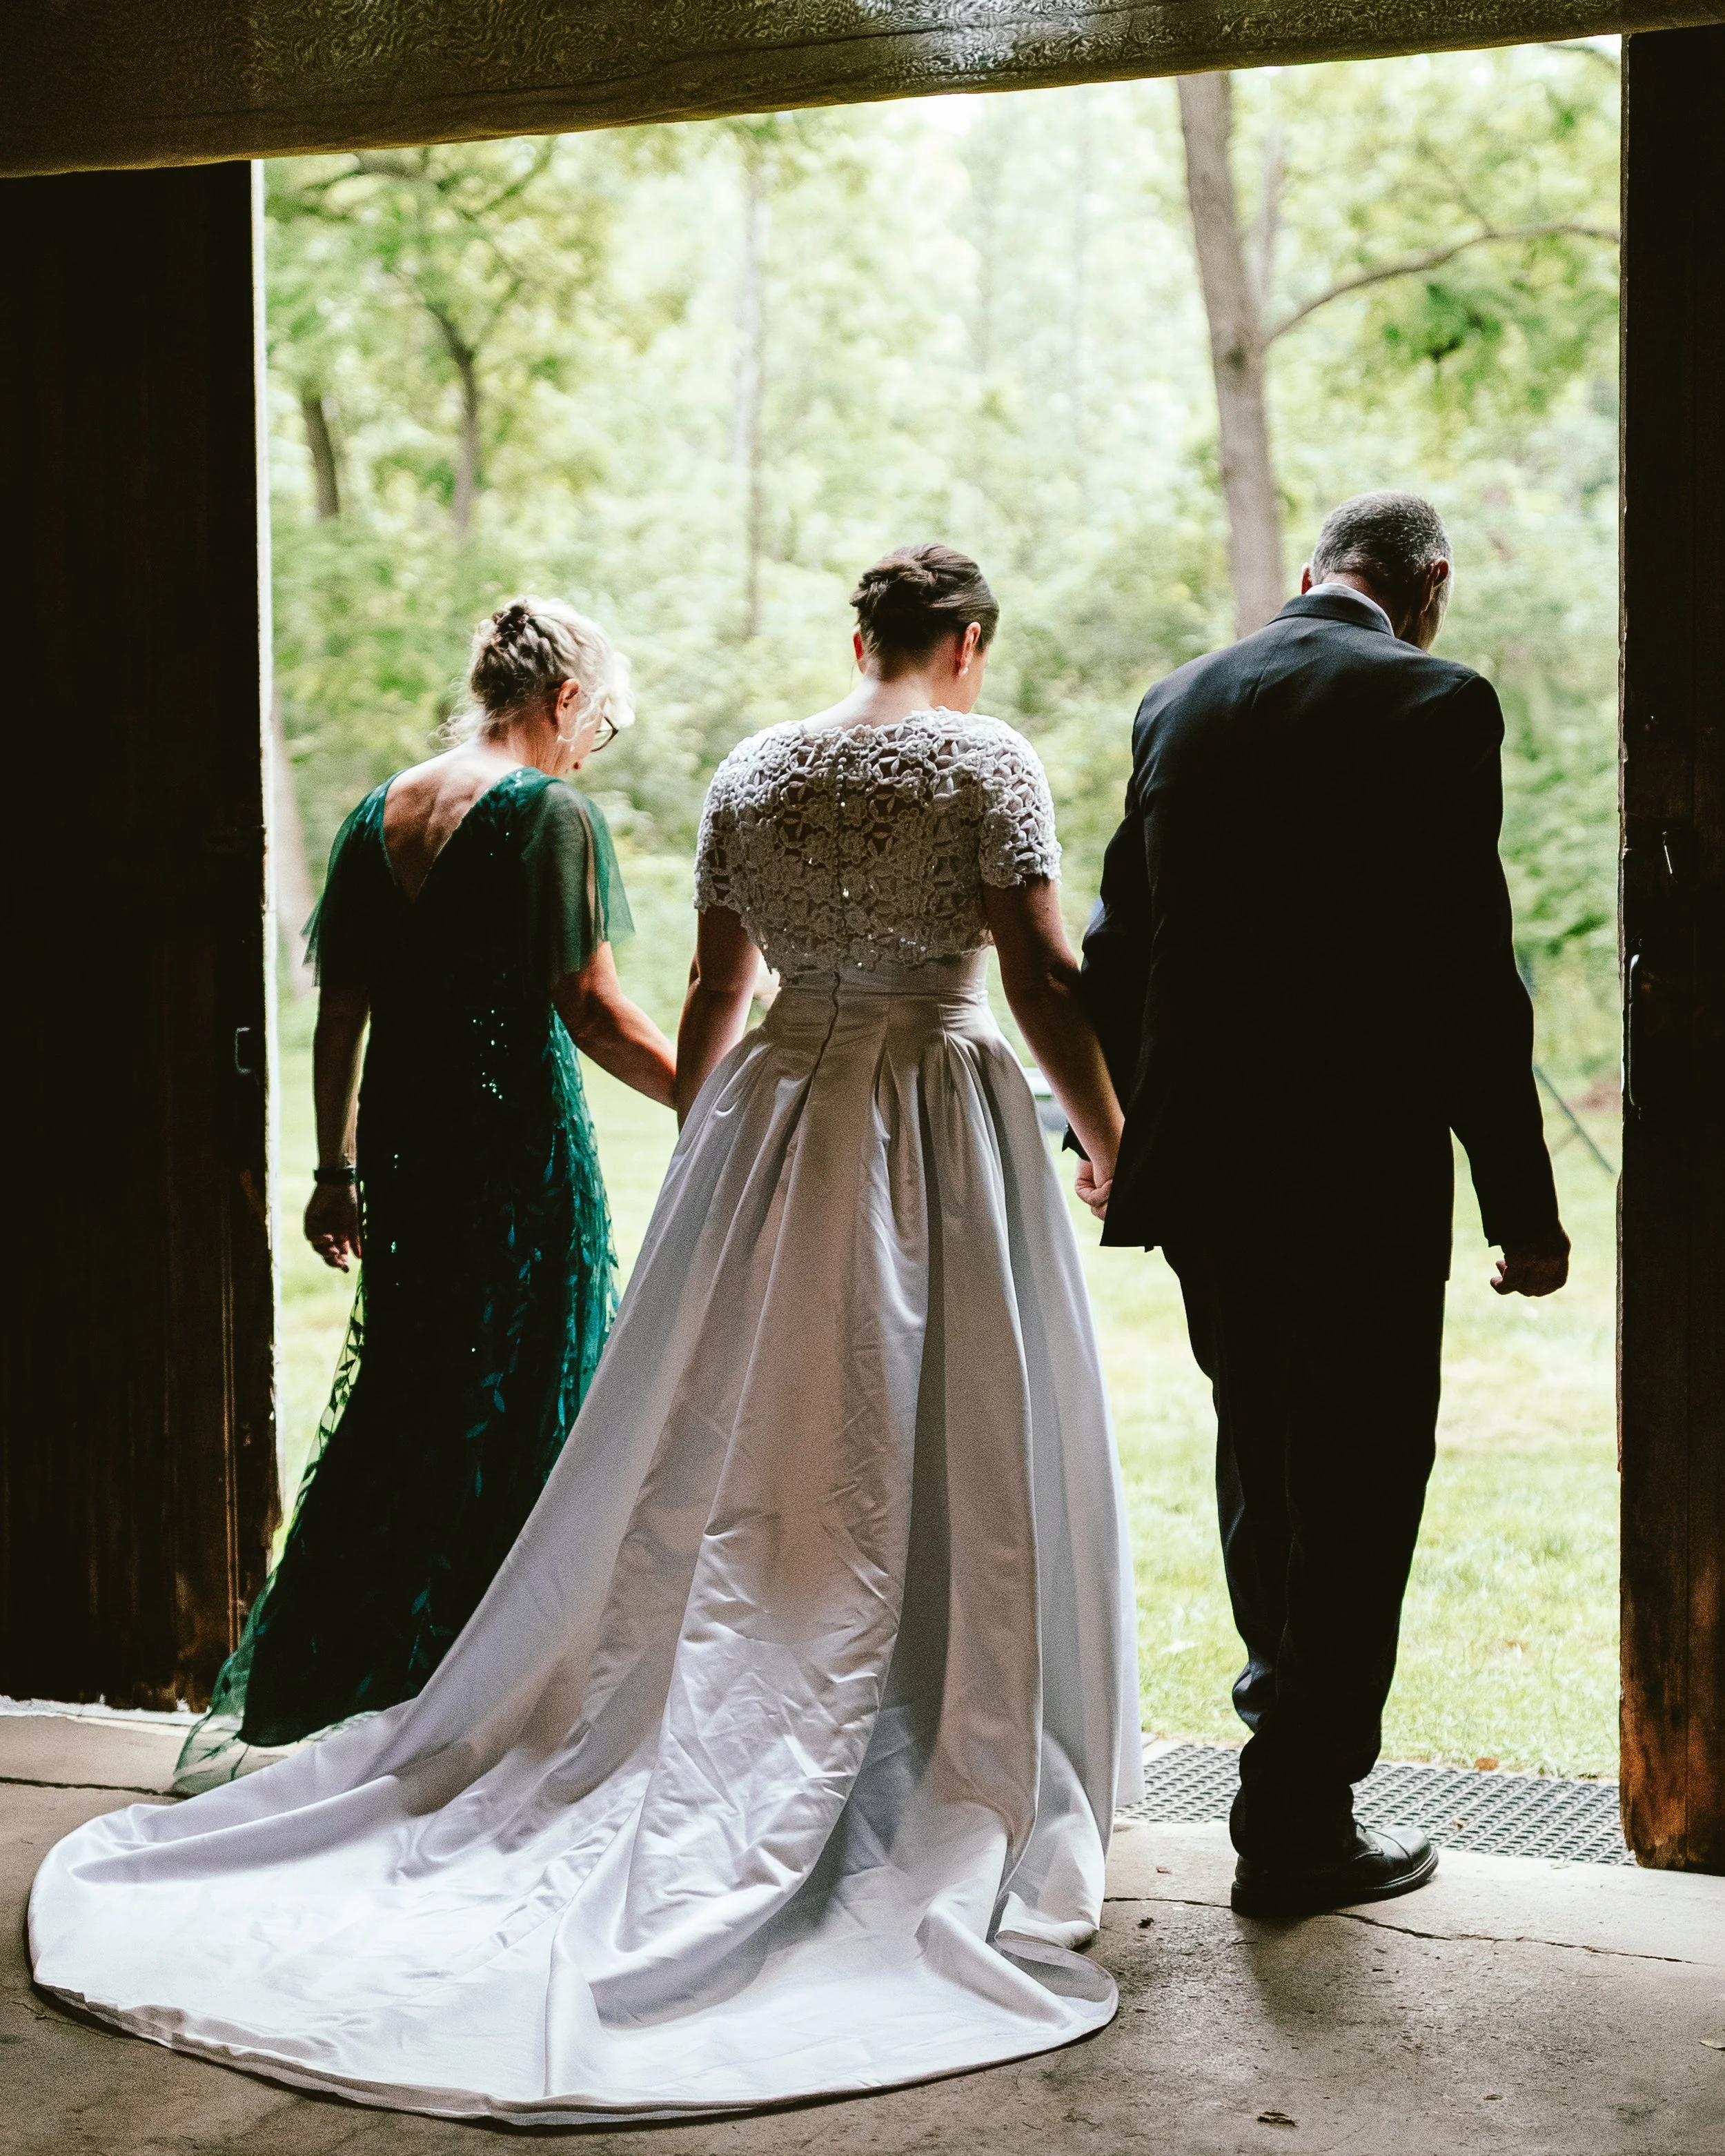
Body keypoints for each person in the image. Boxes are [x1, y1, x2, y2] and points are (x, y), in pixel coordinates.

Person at [34, 544, 1141, 2124]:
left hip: (778, 1108)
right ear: (963, 644)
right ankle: (939, 1722)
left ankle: (737, 1689)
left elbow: (712, 983)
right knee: (949, 1405)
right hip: (933, 1111)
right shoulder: (983, 759)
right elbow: (1035, 968)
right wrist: (1111, 1132)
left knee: (747, 1421)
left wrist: (714, 1148)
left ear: (857, 636)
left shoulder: (758, 768)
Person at [1078, 491, 1568, 1919]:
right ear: (1426, 583)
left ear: (1307, 576)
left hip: (1207, 1167)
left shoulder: (1179, 699)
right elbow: (1463, 974)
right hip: (1353, 1162)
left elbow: (1116, 942)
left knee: (1261, 1455)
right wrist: (1519, 1209)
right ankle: (1296, 1815)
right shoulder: (1431, 700)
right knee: (1358, 1477)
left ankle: (1277, 1736)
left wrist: (1122, 1124)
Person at [172, 597, 677, 1794]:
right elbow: (591, 1007)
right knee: (522, 1394)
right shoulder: (550, 815)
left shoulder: (375, 811)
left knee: (411, 1394)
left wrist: (334, 1169)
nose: (585, 746)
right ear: (564, 700)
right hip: (514, 1149)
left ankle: (342, 1673)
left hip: (405, 1149)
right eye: (594, 723)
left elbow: (339, 1010)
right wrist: (711, 1092)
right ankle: (495, 1678)